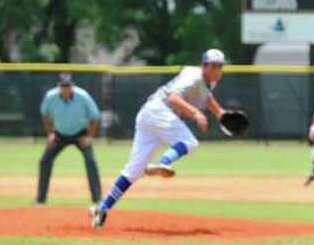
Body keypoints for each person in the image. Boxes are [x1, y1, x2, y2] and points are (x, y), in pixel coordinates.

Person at [91, 49, 227, 229]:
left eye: (220, 66)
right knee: (190, 142)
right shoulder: (193, 76)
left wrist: (220, 113)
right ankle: (163, 162)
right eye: (213, 66)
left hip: (148, 115)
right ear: (204, 66)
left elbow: (206, 96)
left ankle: (102, 207)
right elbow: (172, 97)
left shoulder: (207, 82)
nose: (217, 70)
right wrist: (195, 113)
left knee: (133, 171)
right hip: (159, 110)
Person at [37, 73, 102, 205]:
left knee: (91, 161)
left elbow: (95, 116)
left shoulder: (83, 96)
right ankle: (40, 200)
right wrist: (50, 133)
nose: (66, 89)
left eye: (68, 86)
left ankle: (97, 200)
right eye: (63, 86)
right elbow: (44, 114)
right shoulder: (51, 96)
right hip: (59, 134)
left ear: (72, 86)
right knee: (44, 161)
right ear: (59, 86)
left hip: (80, 134)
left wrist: (89, 136)